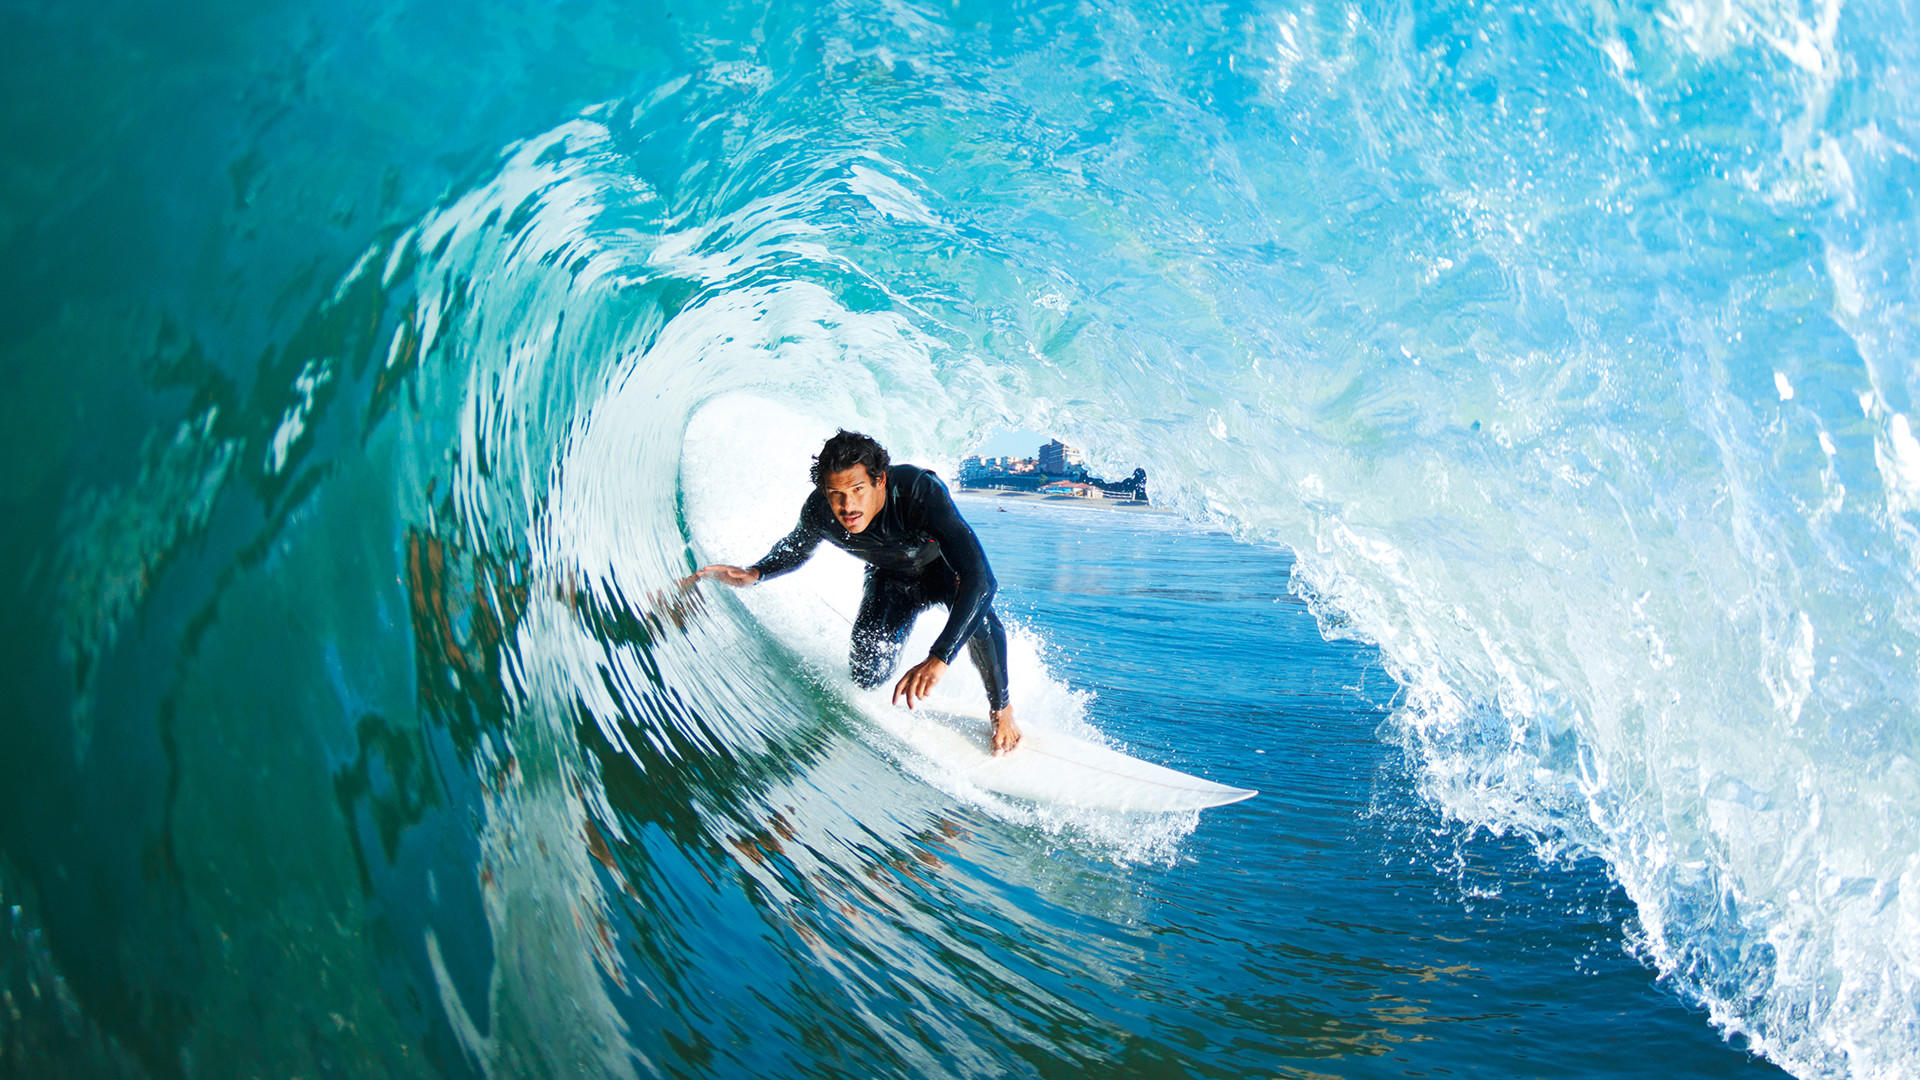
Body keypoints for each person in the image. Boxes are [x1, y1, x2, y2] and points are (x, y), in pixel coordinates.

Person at [692, 430, 1021, 755]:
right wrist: (756, 572)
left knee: (980, 621)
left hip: (943, 572)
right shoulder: (819, 510)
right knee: (866, 672)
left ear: (880, 481)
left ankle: (1002, 710)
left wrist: (939, 656)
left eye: (857, 489)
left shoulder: (919, 491)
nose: (847, 505)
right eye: (835, 493)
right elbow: (796, 548)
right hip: (890, 580)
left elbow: (982, 580)